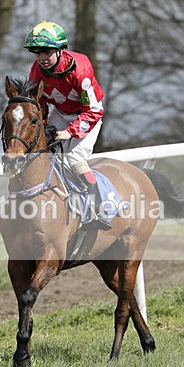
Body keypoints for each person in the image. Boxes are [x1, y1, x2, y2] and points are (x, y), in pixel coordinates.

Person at [25, 20, 110, 228]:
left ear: (60, 49)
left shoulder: (80, 70)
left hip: (88, 113)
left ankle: (99, 208)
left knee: (73, 157)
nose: (42, 58)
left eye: (47, 52)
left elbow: (94, 110)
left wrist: (69, 132)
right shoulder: (36, 71)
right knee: (43, 152)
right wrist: (42, 124)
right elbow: (40, 103)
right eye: (37, 53)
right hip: (62, 112)